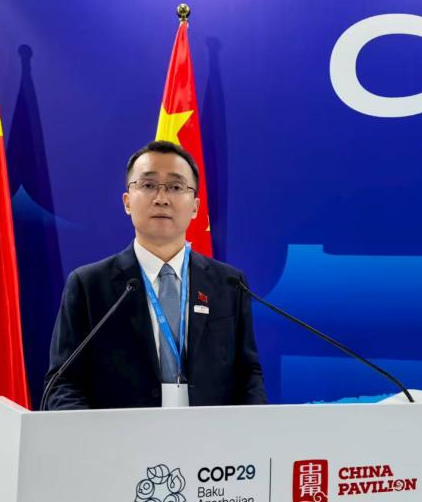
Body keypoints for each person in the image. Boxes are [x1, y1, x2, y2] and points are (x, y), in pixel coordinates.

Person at [43, 140, 266, 409]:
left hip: (210, 434)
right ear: (127, 202)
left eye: (175, 187)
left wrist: (252, 428)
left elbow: (248, 376)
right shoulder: (89, 285)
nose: (161, 198)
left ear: (195, 207)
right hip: (122, 434)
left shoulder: (229, 284)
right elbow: (62, 383)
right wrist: (97, 434)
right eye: (148, 185)